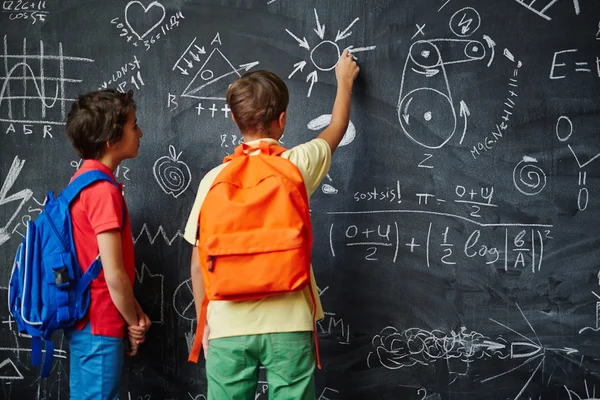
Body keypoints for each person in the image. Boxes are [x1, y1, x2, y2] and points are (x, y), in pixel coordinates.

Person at [184, 49, 359, 399]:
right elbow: (337, 129)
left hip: (227, 324)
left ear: (236, 120)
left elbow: (199, 264)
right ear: (282, 120)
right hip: (289, 320)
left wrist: (206, 326)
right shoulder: (296, 166)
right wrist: (344, 82)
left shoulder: (214, 179)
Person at [64, 89, 151, 399]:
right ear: (111, 140)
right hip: (100, 325)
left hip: (91, 322)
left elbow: (99, 267)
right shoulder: (102, 190)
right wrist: (133, 322)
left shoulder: (83, 180)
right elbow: (113, 274)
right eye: (133, 125)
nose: (140, 132)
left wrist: (135, 314)